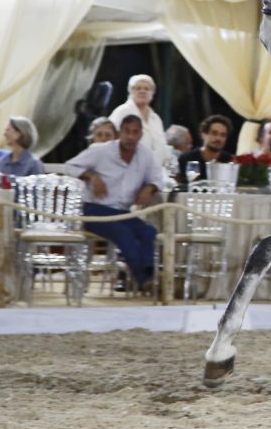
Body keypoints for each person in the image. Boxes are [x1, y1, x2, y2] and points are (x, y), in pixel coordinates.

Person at [64, 114, 163, 293]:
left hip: (123, 212)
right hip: (95, 210)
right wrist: (92, 176)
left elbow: (158, 178)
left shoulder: (146, 155)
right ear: (119, 133)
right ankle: (145, 280)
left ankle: (149, 273)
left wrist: (150, 187)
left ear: (141, 135)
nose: (131, 137)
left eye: (135, 132)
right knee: (123, 233)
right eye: (126, 132)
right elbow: (70, 166)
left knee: (149, 231)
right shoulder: (101, 151)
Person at [108, 74, 168, 166]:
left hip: (155, 171)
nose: (142, 91)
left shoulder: (156, 118)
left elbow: (163, 146)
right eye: (138, 88)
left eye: (147, 89)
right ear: (130, 92)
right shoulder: (122, 111)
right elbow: (110, 140)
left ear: (152, 94)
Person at [177, 115, 234, 185]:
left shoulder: (229, 161)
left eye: (223, 135)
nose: (218, 138)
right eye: (214, 133)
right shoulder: (188, 159)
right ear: (203, 134)